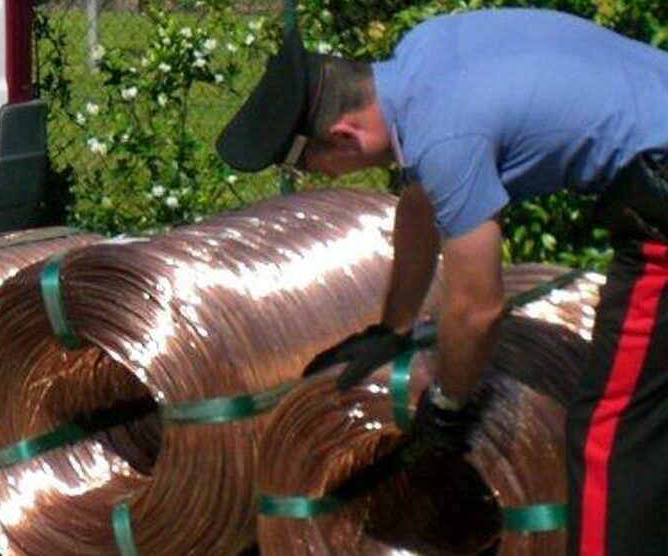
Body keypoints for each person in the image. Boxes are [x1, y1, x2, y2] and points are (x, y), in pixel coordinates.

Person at [215, 8, 668, 556]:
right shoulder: (424, 57)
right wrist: (393, 327)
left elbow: (477, 309)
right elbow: (420, 205)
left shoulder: (445, 137)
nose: (323, 181)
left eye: (313, 168)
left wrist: (448, 406)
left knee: (610, 434)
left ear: (342, 136)